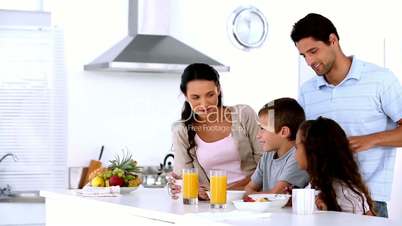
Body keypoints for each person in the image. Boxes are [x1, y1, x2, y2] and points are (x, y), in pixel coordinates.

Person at [291, 13, 402, 217]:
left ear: (333, 40)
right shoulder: (308, 91)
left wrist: (372, 139)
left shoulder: (381, 80)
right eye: (303, 55)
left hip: (369, 202)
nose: (309, 61)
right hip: (321, 200)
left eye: (313, 51)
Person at [169, 63, 262, 200]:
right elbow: (183, 177)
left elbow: (265, 163)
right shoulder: (181, 130)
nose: (204, 104)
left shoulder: (244, 114)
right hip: (212, 203)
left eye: (210, 95)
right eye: (196, 97)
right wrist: (188, 188)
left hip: (252, 198)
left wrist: (227, 191)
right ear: (186, 95)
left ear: (218, 89)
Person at [295, 117, 375, 215]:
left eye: (297, 147)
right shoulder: (314, 186)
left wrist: (327, 214)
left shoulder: (345, 194)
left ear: (313, 151)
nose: (295, 153)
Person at [245, 98, 309, 195]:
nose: (258, 135)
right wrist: (254, 194)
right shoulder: (268, 155)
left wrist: (253, 195)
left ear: (283, 132)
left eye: (263, 128)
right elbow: (248, 188)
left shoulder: (298, 156)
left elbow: (276, 195)